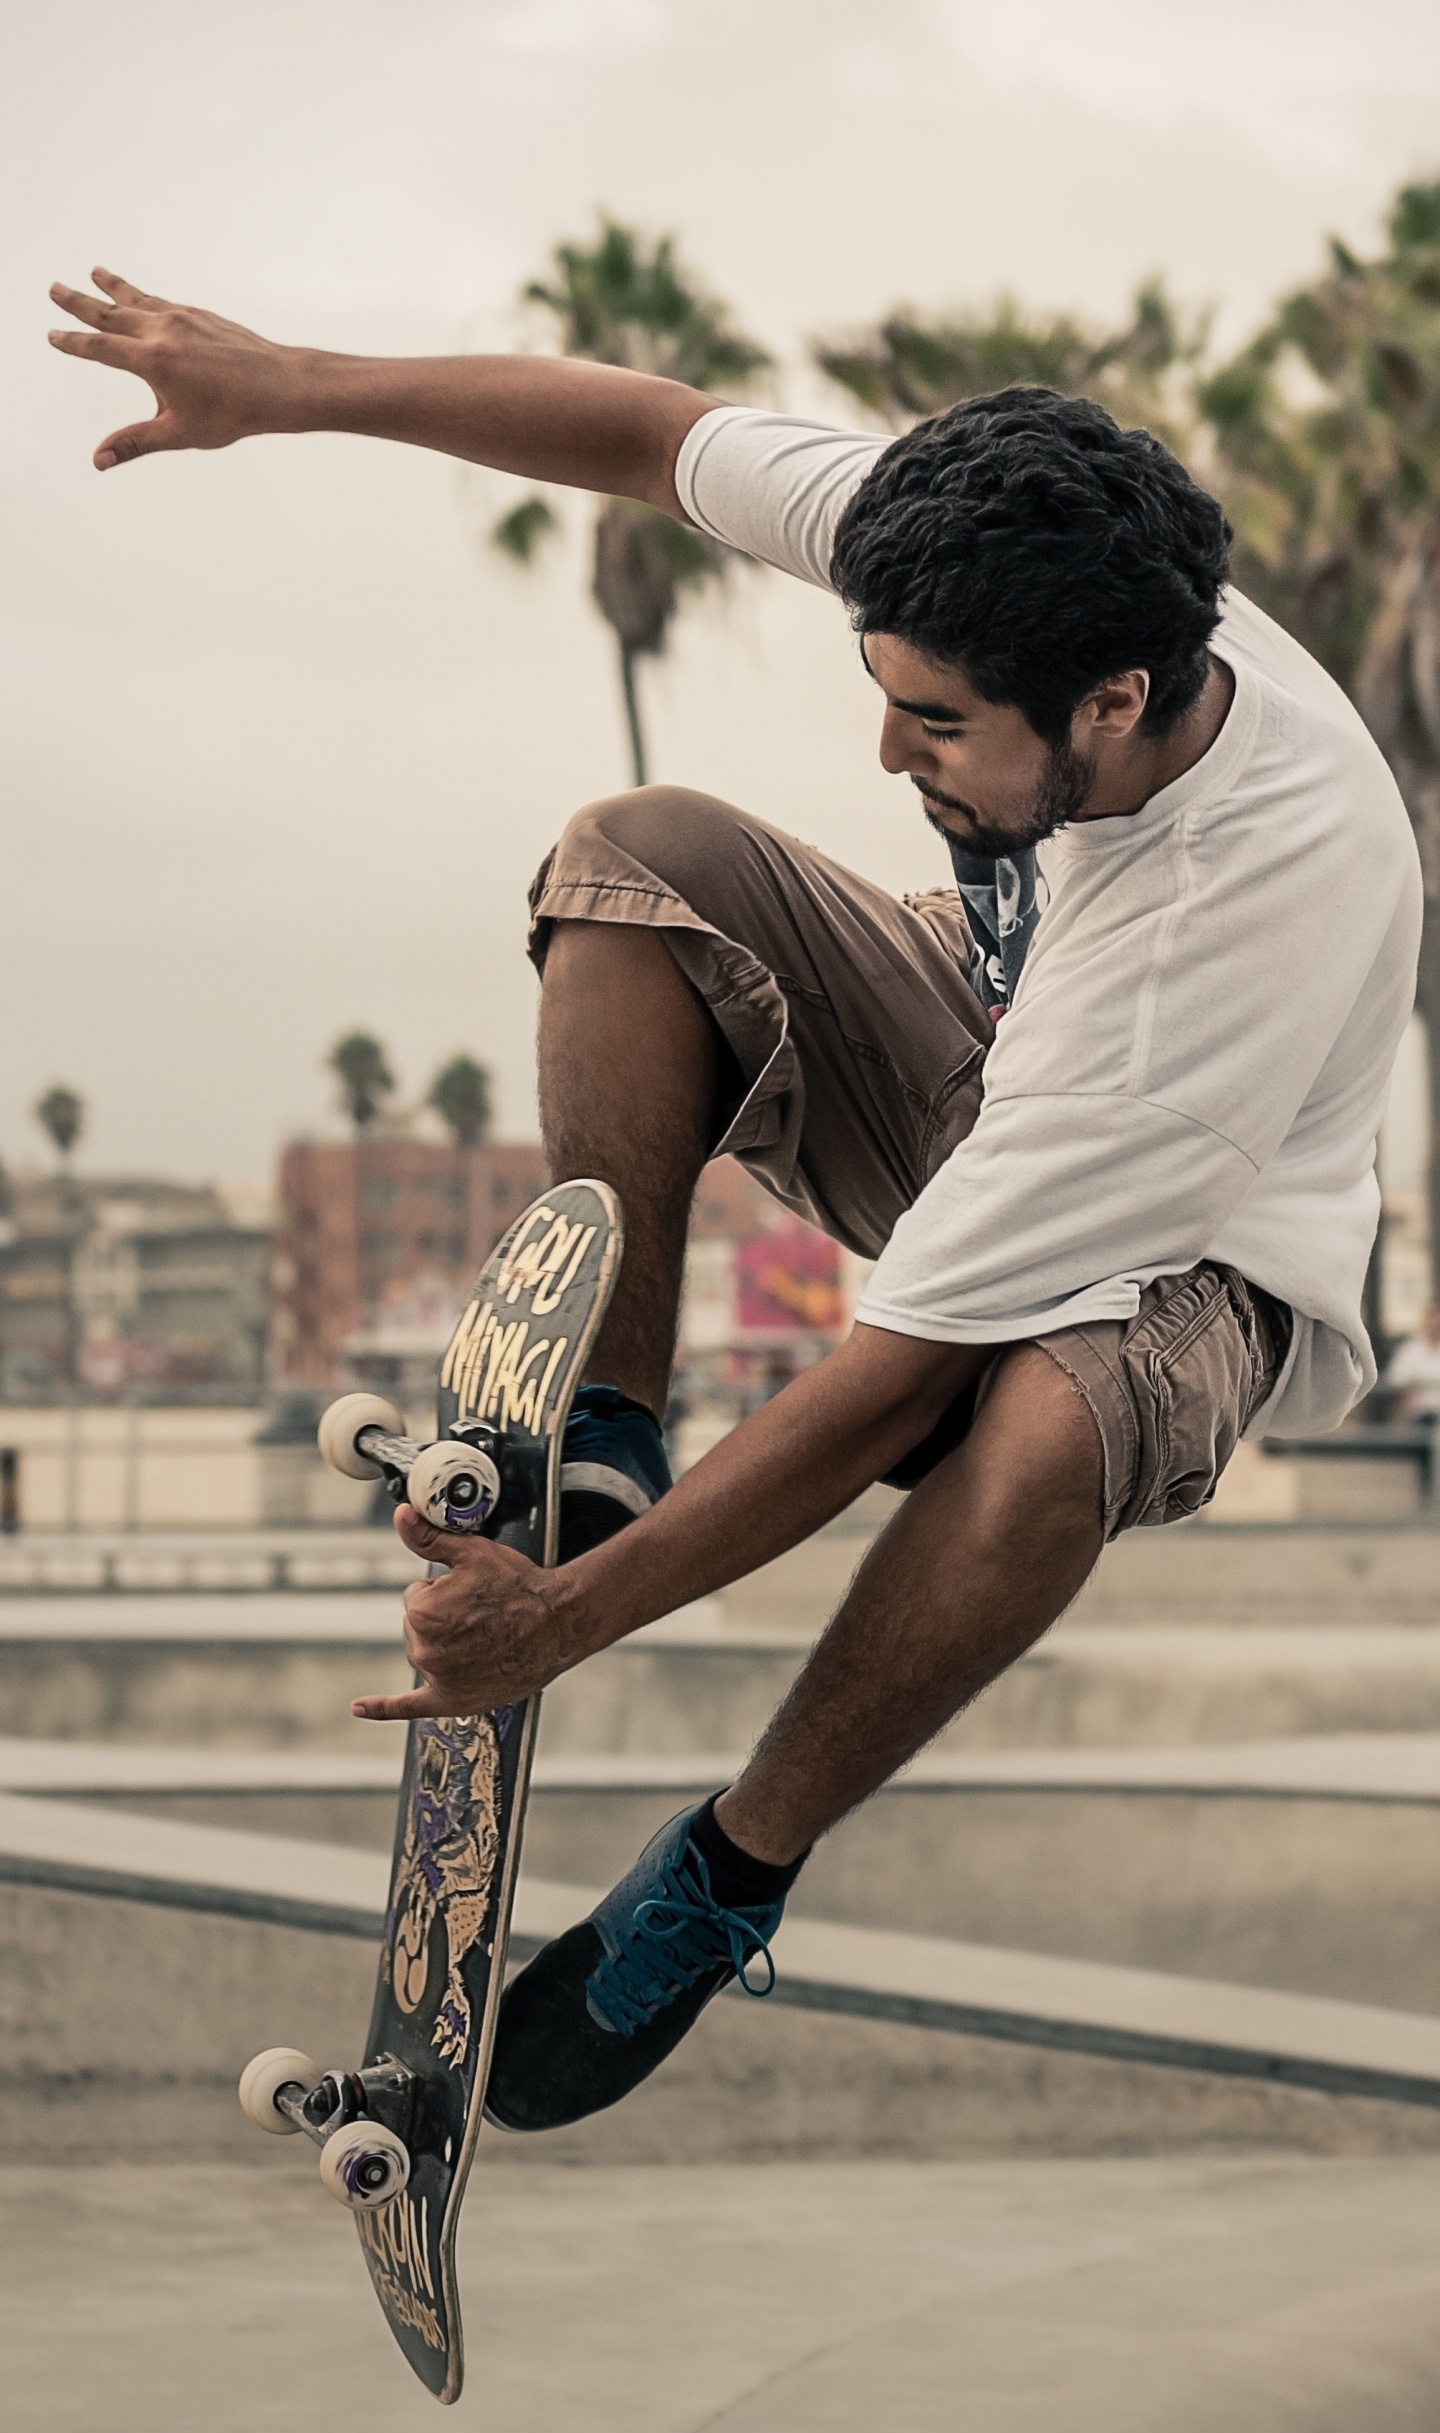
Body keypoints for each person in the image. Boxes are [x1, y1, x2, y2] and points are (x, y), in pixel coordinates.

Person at [51, 271, 1422, 2131]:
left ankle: (725, 1875)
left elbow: (901, 1381)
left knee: (1037, 1426)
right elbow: (640, 429)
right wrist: (284, 385)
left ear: (1115, 702)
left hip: (1204, 1261)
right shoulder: (992, 548)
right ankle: (606, 1419)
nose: (885, 757)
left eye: (937, 727)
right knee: (637, 860)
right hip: (997, 1044)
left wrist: (574, 1620)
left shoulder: (1215, 952)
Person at [1384, 1306, 1440, 1422]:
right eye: (1432, 1322)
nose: (1435, 1326)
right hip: (1418, 1412)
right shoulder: (1409, 1350)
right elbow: (1395, 1378)